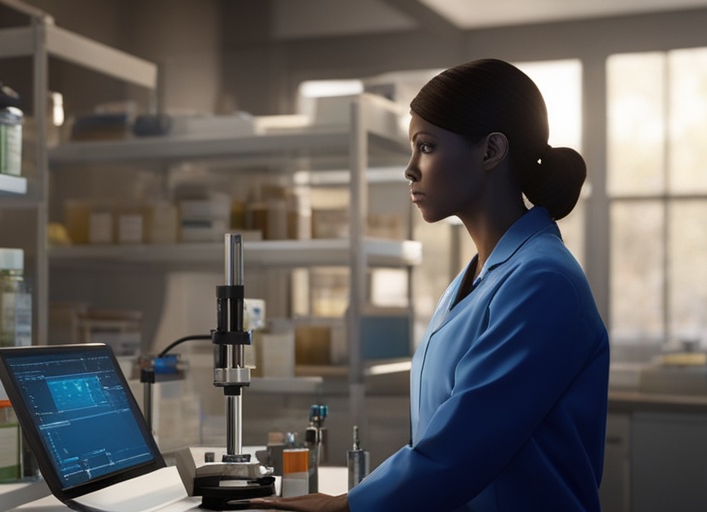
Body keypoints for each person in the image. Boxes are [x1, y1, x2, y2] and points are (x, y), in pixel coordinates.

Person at [251, 58, 610, 511]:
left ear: (490, 151)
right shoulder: (475, 278)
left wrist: (343, 507)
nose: (410, 169)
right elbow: (437, 439)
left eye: (427, 146)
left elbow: (461, 449)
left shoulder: (543, 282)